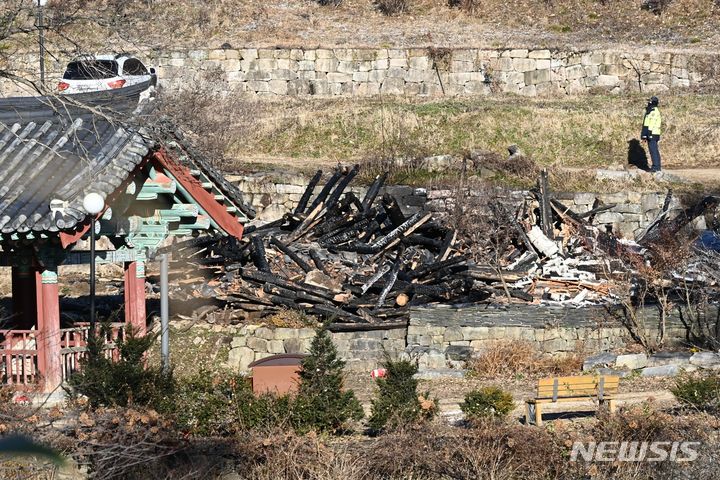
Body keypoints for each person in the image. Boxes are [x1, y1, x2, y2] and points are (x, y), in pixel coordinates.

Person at [641, 96, 662, 172]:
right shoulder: (650, 111)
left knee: (653, 150)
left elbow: (651, 124)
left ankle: (656, 167)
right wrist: (644, 135)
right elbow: (646, 124)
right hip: (651, 133)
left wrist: (647, 134)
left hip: (652, 133)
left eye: (649, 101)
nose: (648, 103)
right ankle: (656, 166)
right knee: (653, 150)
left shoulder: (653, 111)